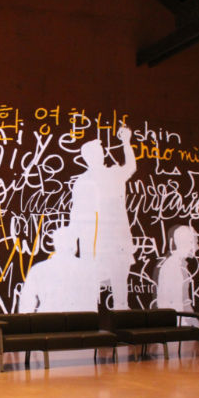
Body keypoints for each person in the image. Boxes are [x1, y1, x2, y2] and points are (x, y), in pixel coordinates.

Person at [68, 126, 136, 310]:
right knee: (110, 286)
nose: (101, 154)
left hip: (106, 242)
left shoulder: (93, 179)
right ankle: (105, 316)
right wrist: (126, 142)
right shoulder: (100, 177)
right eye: (98, 152)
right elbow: (76, 215)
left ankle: (102, 317)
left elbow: (75, 216)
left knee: (110, 286)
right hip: (104, 242)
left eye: (100, 151)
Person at [19, 226, 99, 313]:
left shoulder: (38, 269)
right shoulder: (88, 269)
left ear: (55, 245)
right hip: (81, 322)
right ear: (75, 245)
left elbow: (26, 305)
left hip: (49, 321)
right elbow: (93, 302)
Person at [156, 225, 199, 327]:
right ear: (188, 243)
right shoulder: (173, 267)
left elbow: (184, 300)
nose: (198, 247)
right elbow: (175, 302)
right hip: (174, 323)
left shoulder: (178, 264)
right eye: (196, 242)